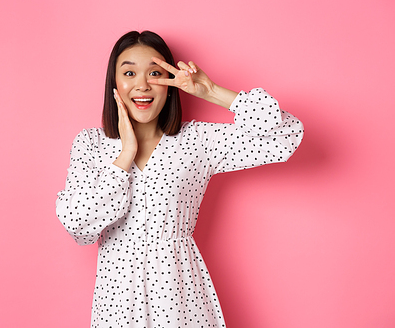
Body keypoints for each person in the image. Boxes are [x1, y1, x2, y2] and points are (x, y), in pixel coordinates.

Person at [56, 30, 304, 328]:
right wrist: (125, 154)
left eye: (155, 73)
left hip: (179, 296)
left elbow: (286, 136)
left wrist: (210, 91)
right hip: (117, 300)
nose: (142, 85)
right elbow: (78, 225)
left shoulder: (196, 141)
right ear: (115, 84)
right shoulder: (91, 145)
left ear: (170, 84)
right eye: (130, 73)